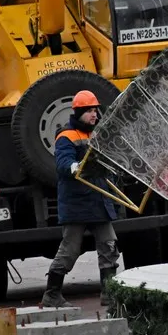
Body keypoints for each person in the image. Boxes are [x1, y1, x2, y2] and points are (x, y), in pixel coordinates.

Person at [41, 90, 120, 308]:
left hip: (99, 200)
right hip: (77, 203)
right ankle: (52, 295)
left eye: (96, 111)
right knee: (69, 251)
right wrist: (74, 167)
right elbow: (62, 163)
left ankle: (109, 293)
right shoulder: (66, 136)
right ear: (79, 113)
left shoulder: (96, 134)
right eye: (90, 111)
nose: (94, 115)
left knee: (109, 245)